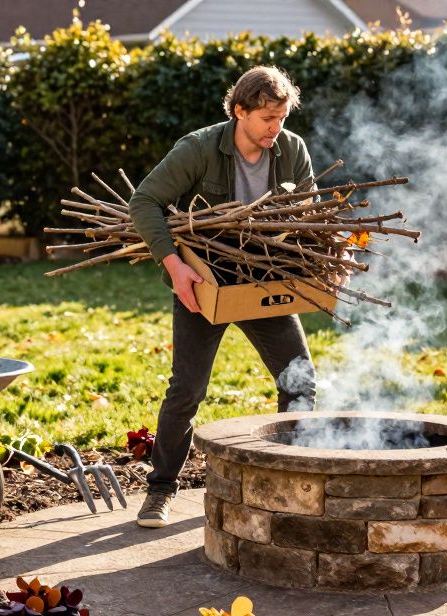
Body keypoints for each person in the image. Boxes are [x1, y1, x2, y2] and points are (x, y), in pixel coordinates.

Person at [128, 66, 318, 528]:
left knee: (300, 381)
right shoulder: (198, 149)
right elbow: (144, 202)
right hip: (205, 282)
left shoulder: (291, 150)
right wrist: (175, 269)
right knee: (187, 390)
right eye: (268, 118)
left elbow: (312, 216)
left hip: (264, 280)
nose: (277, 127)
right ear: (240, 111)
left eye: (283, 117)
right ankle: (160, 491)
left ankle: (288, 481)